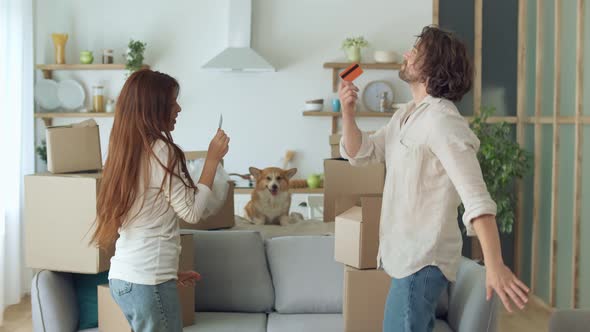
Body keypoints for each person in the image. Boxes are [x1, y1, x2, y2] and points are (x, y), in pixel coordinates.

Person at [338, 26, 529, 332]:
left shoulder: (443, 122)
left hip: (424, 259)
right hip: (405, 258)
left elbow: (476, 197)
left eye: (416, 50)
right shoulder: (406, 115)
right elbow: (362, 153)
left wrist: (494, 265)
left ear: (433, 65)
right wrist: (348, 113)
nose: (406, 54)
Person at [91, 69, 230, 332]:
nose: (178, 108)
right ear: (153, 107)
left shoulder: (124, 152)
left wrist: (167, 274)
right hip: (146, 281)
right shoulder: (162, 150)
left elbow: (144, 220)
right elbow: (191, 212)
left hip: (125, 279)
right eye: (172, 102)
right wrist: (213, 160)